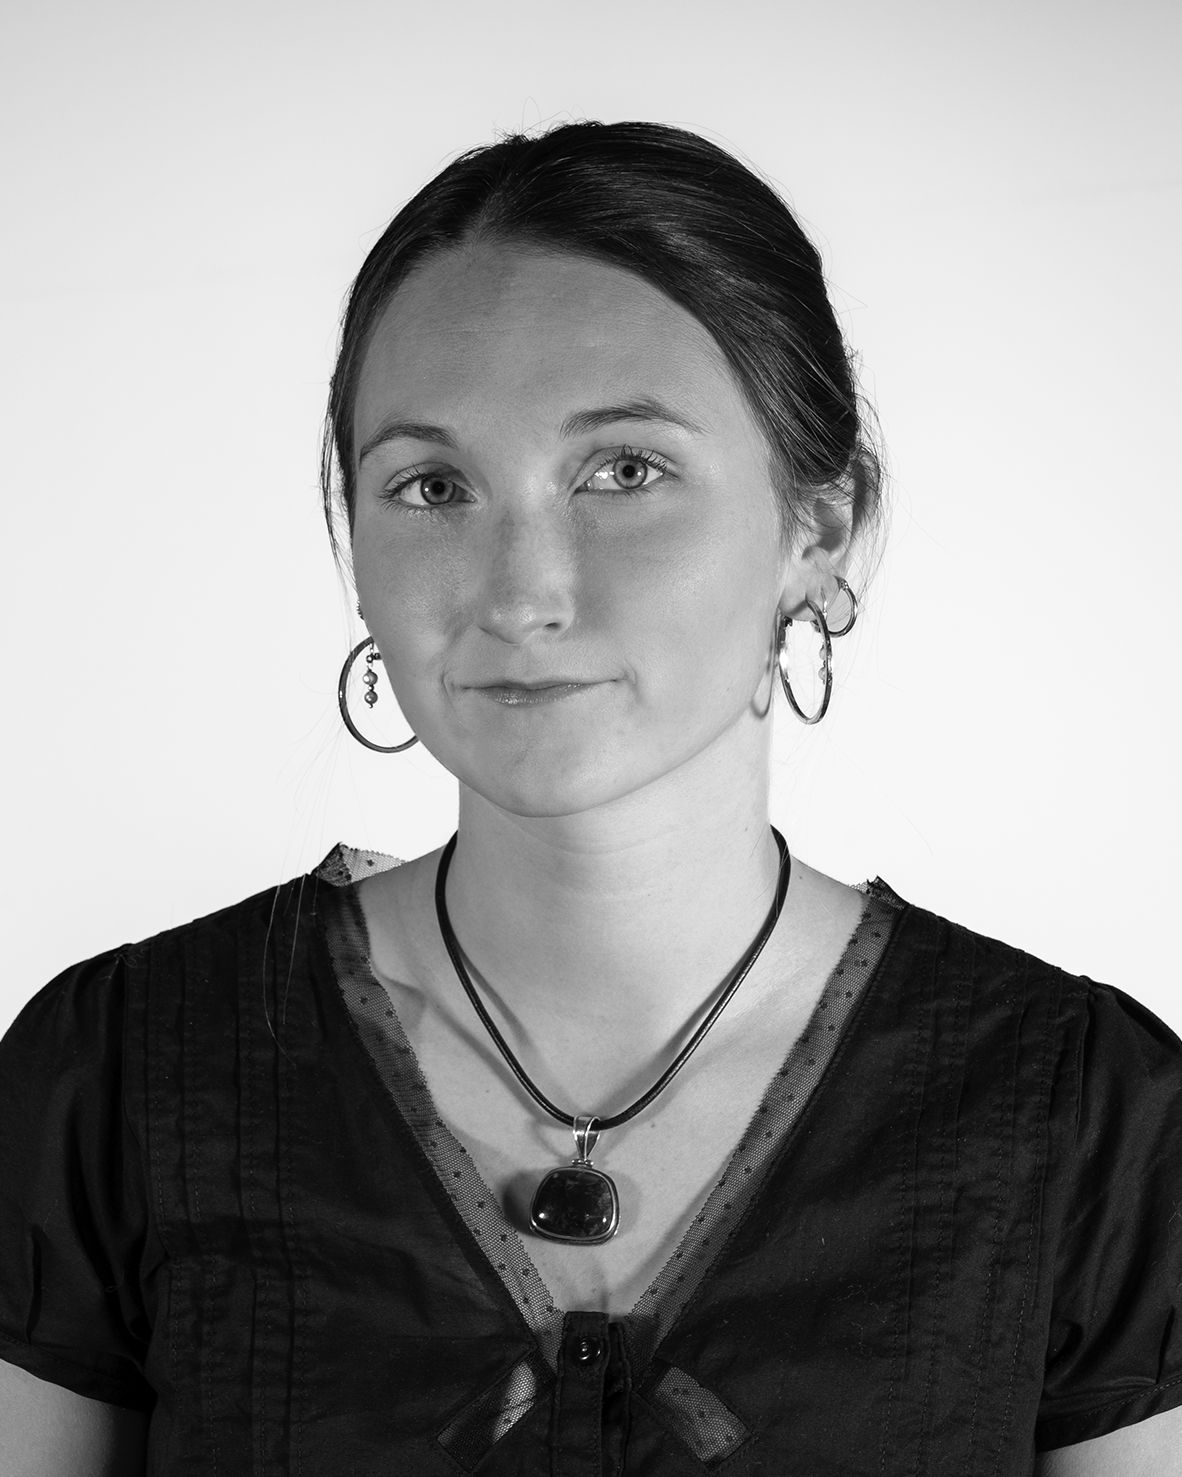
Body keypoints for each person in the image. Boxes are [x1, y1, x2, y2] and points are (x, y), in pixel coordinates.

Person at [0, 121, 1179, 1477]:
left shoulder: (1085, 1120)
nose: (518, 592)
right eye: (431, 487)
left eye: (623, 470)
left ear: (822, 526)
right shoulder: (118, 1078)